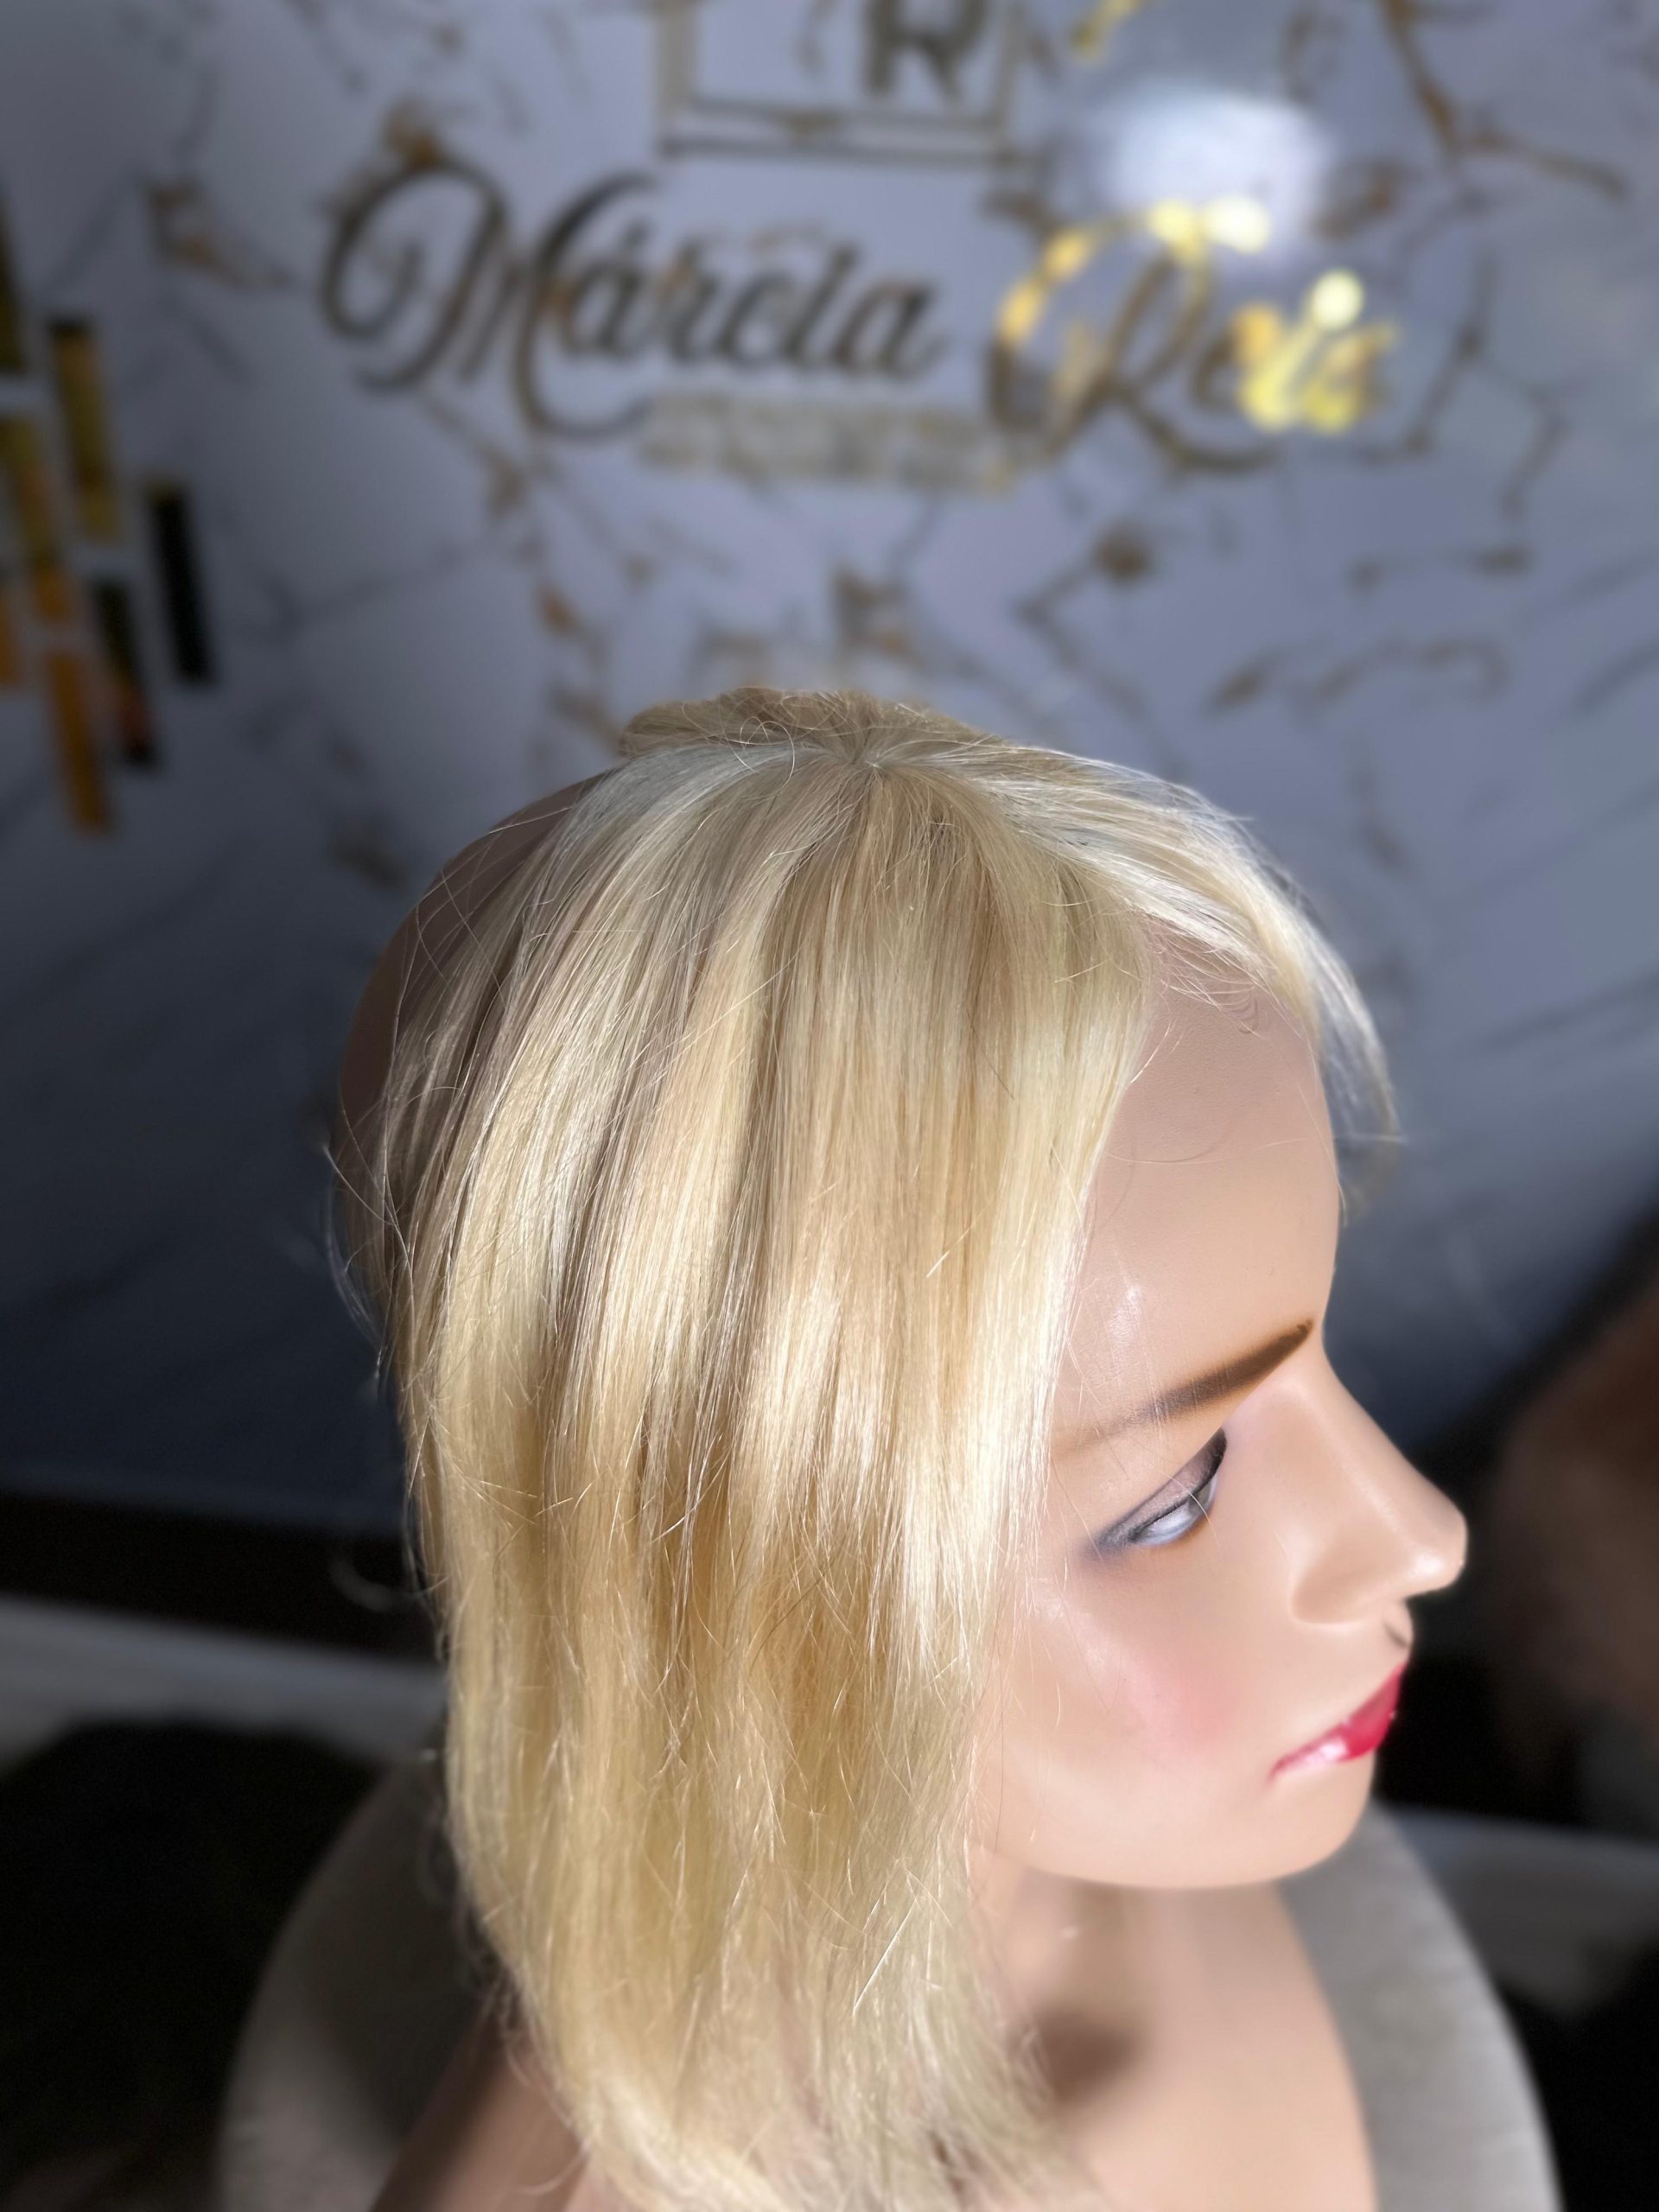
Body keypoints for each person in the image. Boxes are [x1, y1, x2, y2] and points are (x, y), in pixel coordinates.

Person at [330, 687, 1468, 2212]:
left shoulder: (1096, 1861)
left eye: (1315, 1344)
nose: (1421, 1534)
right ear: (733, 1567)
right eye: (1174, 1500)